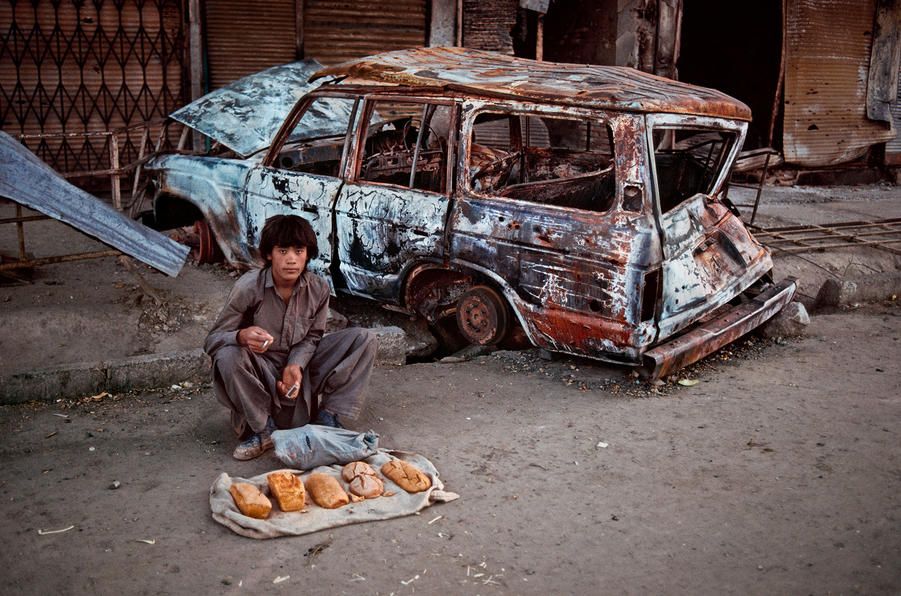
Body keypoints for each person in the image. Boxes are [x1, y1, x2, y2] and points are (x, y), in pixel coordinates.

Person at [204, 215, 377, 460]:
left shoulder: (318, 288)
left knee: (363, 339)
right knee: (228, 353)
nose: (291, 259)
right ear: (268, 254)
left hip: (300, 374)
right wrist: (241, 336)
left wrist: (295, 365)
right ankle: (263, 430)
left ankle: (328, 418)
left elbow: (314, 337)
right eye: (282, 250)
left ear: (308, 254)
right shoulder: (248, 288)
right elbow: (212, 340)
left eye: (299, 250)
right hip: (259, 373)